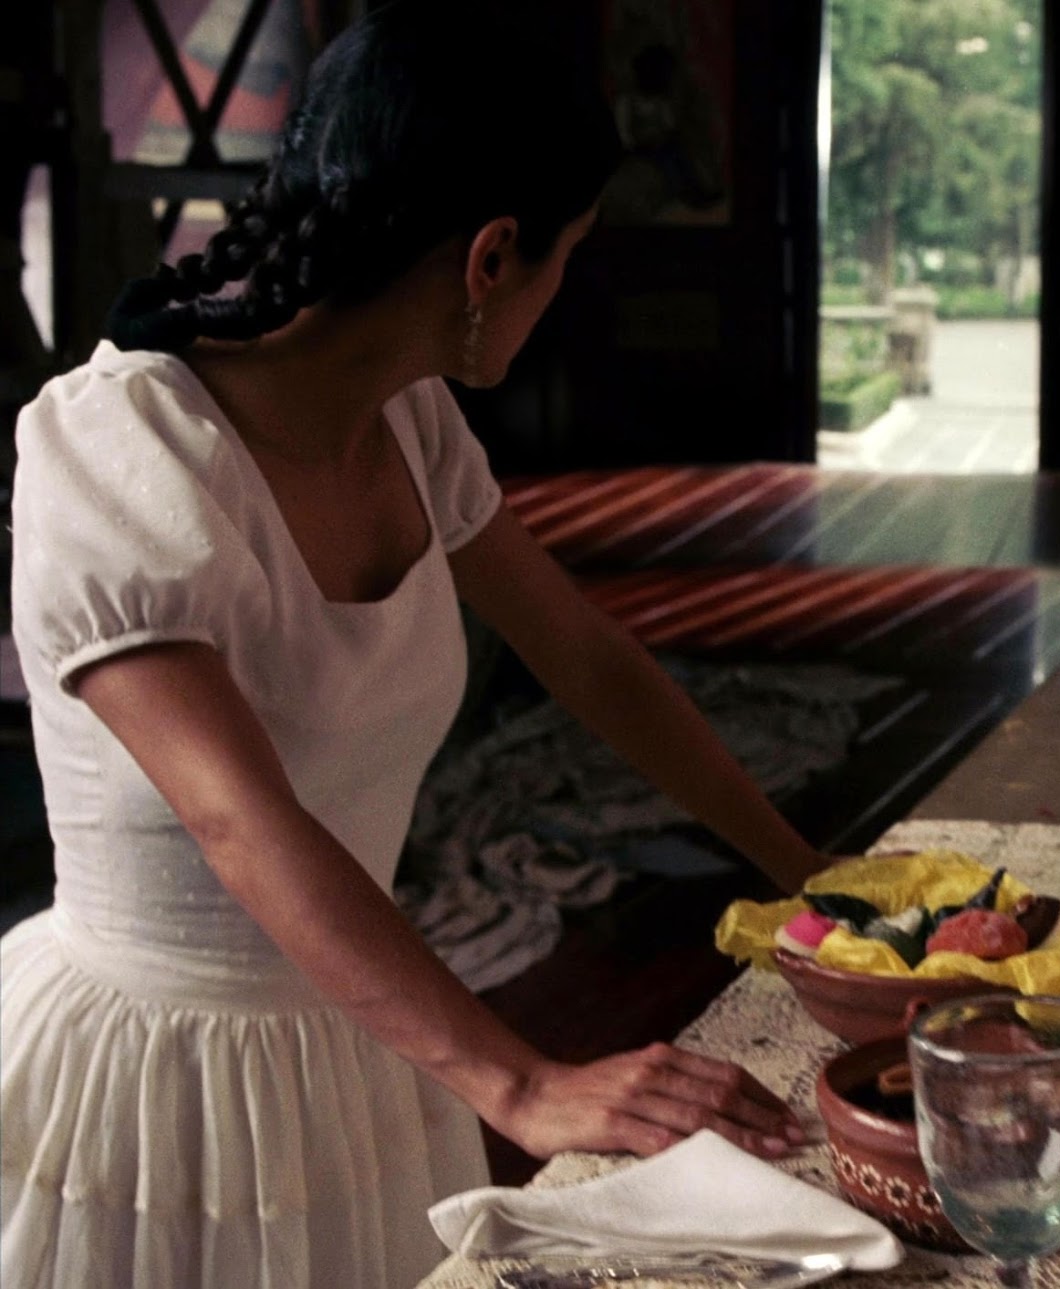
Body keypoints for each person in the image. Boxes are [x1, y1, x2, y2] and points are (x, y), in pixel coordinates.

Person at [0, 2, 829, 1283]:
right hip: (156, 1083)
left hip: (361, 1038)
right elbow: (239, 820)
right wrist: (523, 1082)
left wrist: (814, 884)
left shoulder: (411, 422)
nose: (563, 289)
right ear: (493, 257)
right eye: (568, 256)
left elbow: (585, 656)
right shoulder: (119, 447)